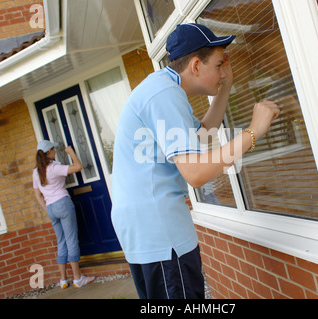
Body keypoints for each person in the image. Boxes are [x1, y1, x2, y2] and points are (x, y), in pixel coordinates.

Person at [111, 23, 280, 299]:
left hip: (146, 230)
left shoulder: (161, 88)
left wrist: (224, 87)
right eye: (218, 65)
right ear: (196, 66)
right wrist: (253, 131)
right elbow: (196, 173)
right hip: (160, 232)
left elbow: (202, 137)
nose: (222, 71)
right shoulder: (165, 94)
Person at [33, 140, 95, 289]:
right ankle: (77, 278)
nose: (55, 151)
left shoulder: (36, 172)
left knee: (61, 242)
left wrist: (47, 208)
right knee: (71, 240)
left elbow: (37, 194)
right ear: (49, 152)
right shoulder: (54, 167)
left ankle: (62, 280)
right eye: (53, 149)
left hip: (51, 208)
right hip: (62, 204)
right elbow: (78, 167)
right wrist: (71, 152)